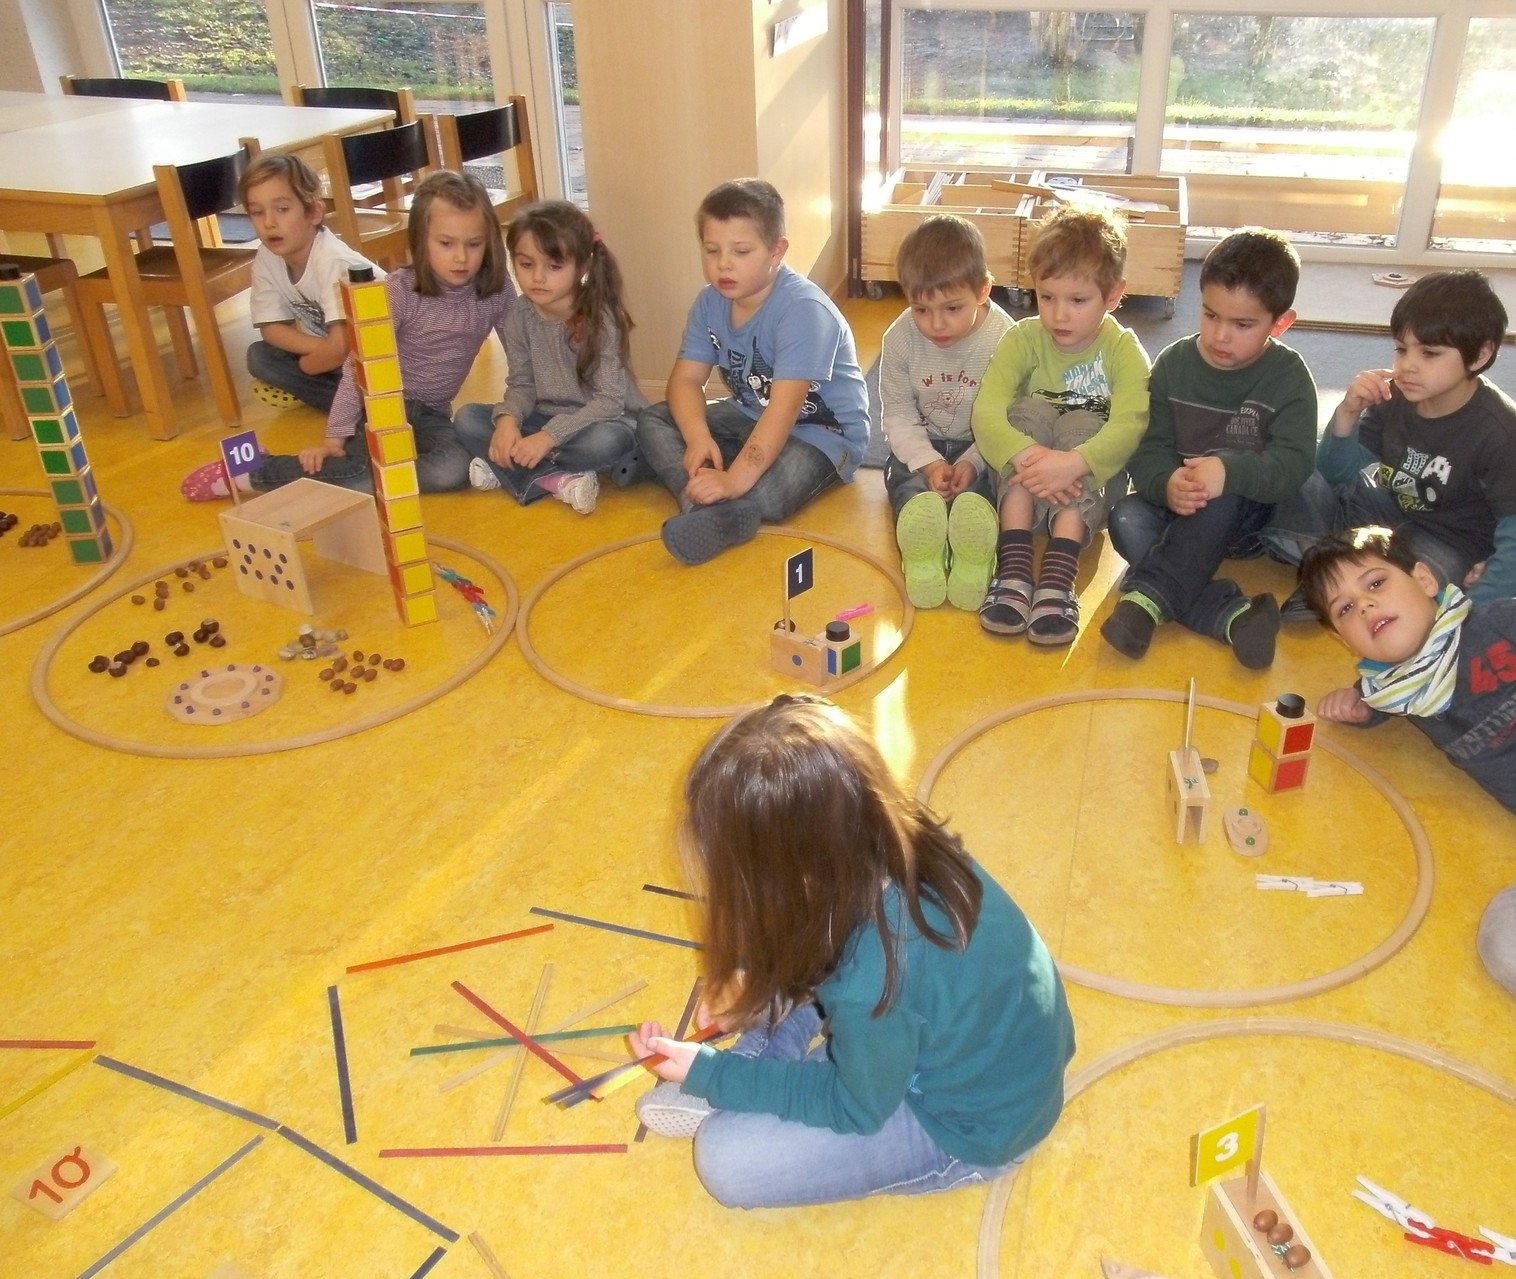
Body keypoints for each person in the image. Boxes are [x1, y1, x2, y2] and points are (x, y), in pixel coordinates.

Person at [628, 694, 1076, 1210]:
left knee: (725, 1160)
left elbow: (855, 1106)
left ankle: (733, 1083)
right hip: (969, 1054)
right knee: (802, 995)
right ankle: (744, 1075)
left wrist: (713, 1074)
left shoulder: (873, 975)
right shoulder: (890, 839)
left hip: (971, 1126)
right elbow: (824, 943)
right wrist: (756, 982)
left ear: (796, 874)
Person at [181, 170, 514, 499]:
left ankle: (357, 470)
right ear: (421, 242)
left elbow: (522, 354)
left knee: (451, 471)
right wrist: (334, 438)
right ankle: (253, 473)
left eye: (474, 244)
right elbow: (357, 365)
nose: (461, 257)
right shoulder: (399, 291)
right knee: (357, 476)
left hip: (431, 413)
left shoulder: (497, 292)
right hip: (376, 404)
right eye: (446, 243)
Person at [1297, 525, 1516, 999]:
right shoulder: (1398, 691)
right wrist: (1360, 708)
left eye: (1375, 584)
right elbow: (1389, 691)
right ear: (1345, 641)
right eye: (1347, 610)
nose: (1366, 606)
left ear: (1424, 579)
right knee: (1504, 945)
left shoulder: (1499, 622)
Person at [1100, 228, 1317, 669]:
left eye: (1242, 325)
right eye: (1210, 315)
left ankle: (1148, 599)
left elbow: (1296, 464)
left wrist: (1228, 474)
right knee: (1124, 518)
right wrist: (1166, 484)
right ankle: (1231, 615)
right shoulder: (1174, 363)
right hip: (1180, 512)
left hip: (1247, 517)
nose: (1220, 336)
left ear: (1280, 323)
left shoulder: (1290, 377)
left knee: (1221, 479)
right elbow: (1149, 449)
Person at [635, 179, 870, 565]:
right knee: (654, 419)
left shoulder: (802, 311)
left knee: (775, 491)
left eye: (741, 251)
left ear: (777, 251)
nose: (723, 263)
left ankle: (718, 498)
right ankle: (703, 500)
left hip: (820, 435)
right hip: (748, 412)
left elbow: (782, 413)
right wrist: (696, 439)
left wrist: (733, 480)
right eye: (712, 250)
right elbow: (685, 380)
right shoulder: (709, 301)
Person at [1262, 270, 1516, 615]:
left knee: (1419, 593)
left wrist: (1476, 607)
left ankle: (1330, 573)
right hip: (1384, 509)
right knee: (1296, 464)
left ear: (1480, 355)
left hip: (1446, 543)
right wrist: (1348, 414)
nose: (1407, 365)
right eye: (1401, 348)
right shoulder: (1396, 393)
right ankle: (1341, 574)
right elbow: (1335, 474)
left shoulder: (1499, 431)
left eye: (1429, 353)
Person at [970, 205, 1151, 645]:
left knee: (1087, 424)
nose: (1058, 315)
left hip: (1079, 481)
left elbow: (1131, 424)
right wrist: (1034, 460)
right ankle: (1013, 570)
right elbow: (988, 413)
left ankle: (1057, 578)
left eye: (1077, 300)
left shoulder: (1123, 350)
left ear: (1113, 296)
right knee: (1026, 415)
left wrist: (1072, 464)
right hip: (1032, 478)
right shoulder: (1022, 338)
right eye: (1046, 297)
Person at [454, 201, 643, 515]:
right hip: (542, 418)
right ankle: (554, 478)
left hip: (601, 421)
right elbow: (522, 385)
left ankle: (508, 468)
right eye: (526, 265)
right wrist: (508, 421)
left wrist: (548, 437)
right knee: (467, 418)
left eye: (554, 267)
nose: (537, 278)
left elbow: (609, 401)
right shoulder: (518, 313)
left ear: (581, 267)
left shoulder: (602, 317)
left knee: (609, 442)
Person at [880, 215, 1011, 610]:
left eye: (952, 308)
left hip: (985, 444)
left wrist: (972, 463)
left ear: (984, 290)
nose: (936, 323)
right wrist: (928, 464)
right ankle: (924, 554)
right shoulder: (899, 338)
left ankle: (974, 555)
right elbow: (899, 414)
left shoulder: (1007, 338)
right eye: (921, 309)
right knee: (902, 479)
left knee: (995, 485)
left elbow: (1008, 418)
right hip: (926, 441)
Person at [239, 152, 382, 415]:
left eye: (282, 209)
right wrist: (323, 352)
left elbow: (342, 346)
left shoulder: (332, 260)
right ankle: (353, 404)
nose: (269, 223)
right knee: (260, 356)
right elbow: (271, 329)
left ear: (314, 213)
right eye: (257, 212)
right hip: (339, 355)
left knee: (320, 368)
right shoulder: (266, 256)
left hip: (387, 359)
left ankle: (357, 406)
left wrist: (307, 367)